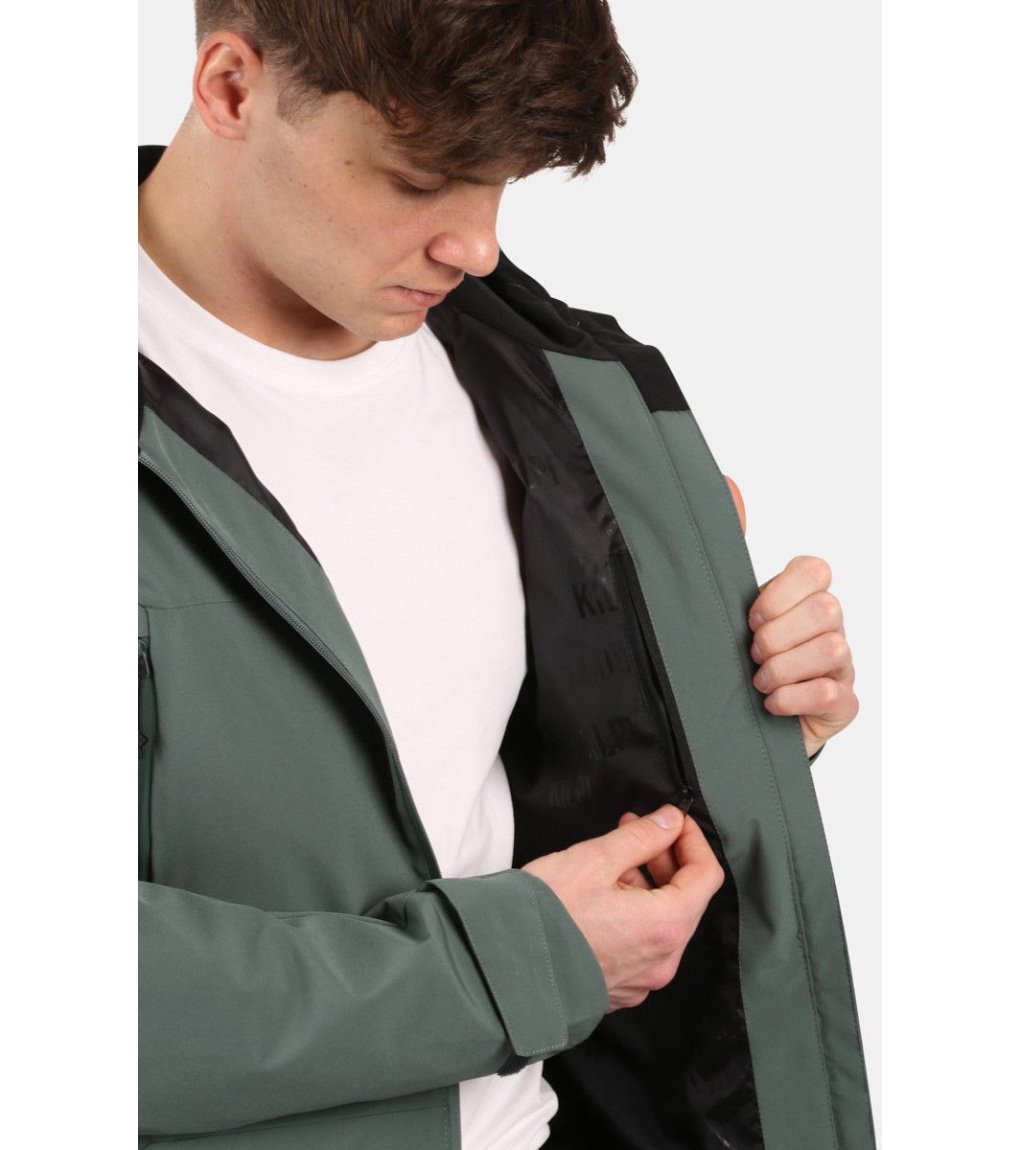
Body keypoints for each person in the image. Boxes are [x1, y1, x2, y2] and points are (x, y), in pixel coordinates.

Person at [138, 4, 874, 1149]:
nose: (476, 246)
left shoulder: (574, 395)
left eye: (502, 185)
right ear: (232, 87)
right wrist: (518, 965)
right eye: (421, 179)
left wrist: (745, 732)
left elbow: (524, 818)